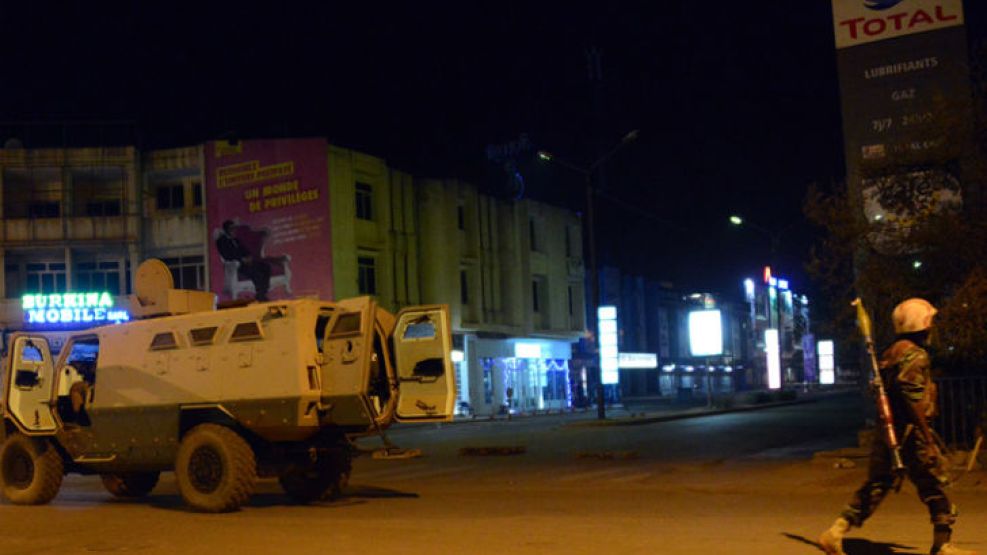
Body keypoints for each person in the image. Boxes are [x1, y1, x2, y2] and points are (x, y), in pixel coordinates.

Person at [819, 298, 976, 555]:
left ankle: (836, 530)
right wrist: (927, 436)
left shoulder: (891, 353)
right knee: (934, 485)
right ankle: (942, 544)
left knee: (877, 484)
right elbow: (912, 398)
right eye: (930, 322)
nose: (932, 328)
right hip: (911, 435)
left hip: (890, 432)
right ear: (921, 325)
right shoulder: (915, 355)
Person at [215, 219, 272, 301]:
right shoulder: (221, 241)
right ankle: (261, 295)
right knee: (256, 273)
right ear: (226, 230)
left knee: (266, 267)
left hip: (247, 262)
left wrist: (248, 256)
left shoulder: (236, 240)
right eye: (231, 228)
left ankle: (262, 293)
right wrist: (241, 259)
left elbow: (245, 250)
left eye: (234, 228)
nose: (234, 230)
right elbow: (227, 256)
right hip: (236, 265)